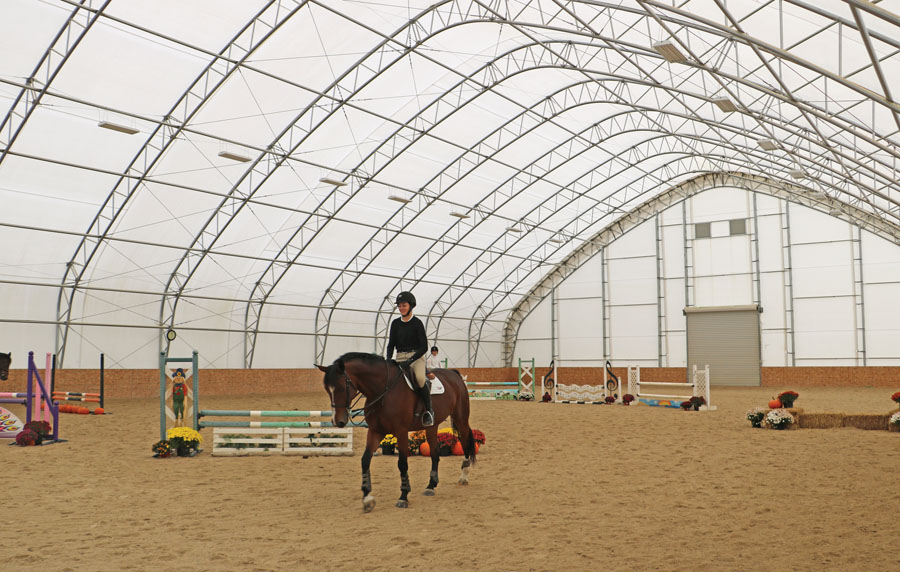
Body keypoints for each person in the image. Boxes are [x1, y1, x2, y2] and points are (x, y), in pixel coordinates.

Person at [385, 291, 433, 426]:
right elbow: (391, 344)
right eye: (399, 306)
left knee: (419, 378)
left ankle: (429, 411)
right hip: (399, 356)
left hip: (416, 357)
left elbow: (424, 347)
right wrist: (388, 358)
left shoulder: (417, 323)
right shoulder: (395, 323)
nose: (401, 308)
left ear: (411, 306)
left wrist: (410, 361)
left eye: (403, 305)